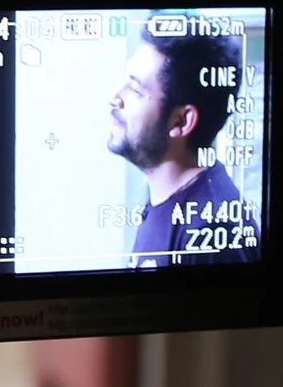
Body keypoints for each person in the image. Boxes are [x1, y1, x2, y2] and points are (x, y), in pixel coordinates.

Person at [105, 20, 258, 262]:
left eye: (135, 89)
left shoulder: (212, 232)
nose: (115, 98)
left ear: (181, 121)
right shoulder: (168, 201)